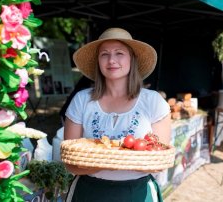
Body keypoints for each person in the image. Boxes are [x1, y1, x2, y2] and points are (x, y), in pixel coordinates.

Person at [64, 27, 171, 202]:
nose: (111, 60)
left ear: (132, 59)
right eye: (104, 54)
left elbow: (158, 162)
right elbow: (70, 163)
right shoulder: (81, 100)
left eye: (119, 53)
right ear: (98, 61)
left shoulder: (154, 102)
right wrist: (114, 163)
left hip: (137, 193)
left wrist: (101, 163)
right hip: (88, 193)